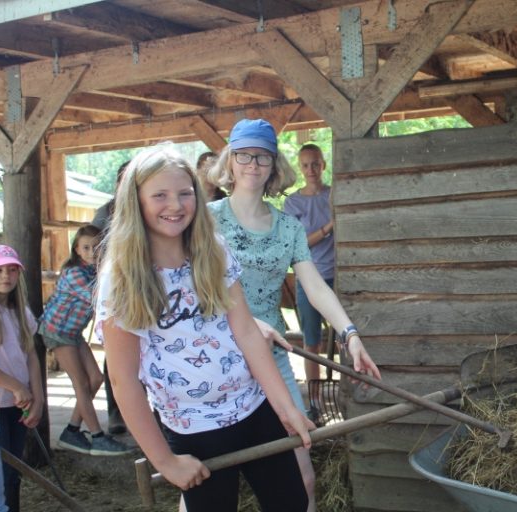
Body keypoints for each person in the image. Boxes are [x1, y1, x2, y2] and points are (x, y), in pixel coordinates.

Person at [96, 144, 314, 512]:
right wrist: (165, 462)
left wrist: (285, 406)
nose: (175, 205)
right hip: (192, 426)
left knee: (291, 502)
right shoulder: (122, 279)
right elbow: (123, 380)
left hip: (253, 406)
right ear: (136, 200)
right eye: (160, 195)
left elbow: (246, 331)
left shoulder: (213, 250)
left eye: (185, 193)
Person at [207, 118, 381, 512]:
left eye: (263, 157)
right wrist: (247, 323)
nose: (253, 164)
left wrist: (350, 334)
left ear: (274, 165)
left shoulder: (288, 227)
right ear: (230, 161)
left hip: (273, 354)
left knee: (303, 475)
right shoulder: (206, 219)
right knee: (210, 485)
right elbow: (191, 287)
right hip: (215, 354)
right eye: (244, 155)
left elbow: (315, 286)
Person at [39, 225, 132, 456]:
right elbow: (102, 298)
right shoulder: (75, 274)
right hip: (57, 331)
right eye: (86, 248)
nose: (92, 252)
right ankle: (97, 437)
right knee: (81, 383)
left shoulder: (93, 271)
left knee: (96, 378)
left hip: (73, 333)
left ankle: (71, 430)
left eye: (97, 247)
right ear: (77, 250)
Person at [283, 144, 334, 417]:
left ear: (323, 165)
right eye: (305, 165)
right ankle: (315, 403)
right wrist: (328, 228)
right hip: (308, 278)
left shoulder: (335, 195)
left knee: (346, 339)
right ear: (300, 168)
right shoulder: (293, 203)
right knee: (311, 341)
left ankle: (350, 395)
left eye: (315, 163)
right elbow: (298, 243)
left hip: (338, 275)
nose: (311, 169)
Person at [0, 245, 43, 511]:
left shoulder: (21, 312)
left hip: (17, 404)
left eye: (12, 270)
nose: (6, 276)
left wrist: (37, 398)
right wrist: (15, 386)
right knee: (1, 473)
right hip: (1, 403)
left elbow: (31, 356)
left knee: (14, 471)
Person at [91, 160, 130, 435]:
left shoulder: (150, 208)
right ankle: (117, 413)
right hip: (115, 286)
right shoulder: (106, 212)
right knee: (116, 354)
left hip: (147, 285)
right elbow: (92, 245)